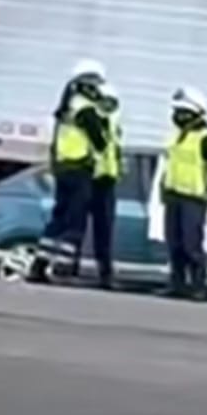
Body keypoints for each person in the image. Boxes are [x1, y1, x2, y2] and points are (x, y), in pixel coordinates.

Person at [38, 59, 109, 278]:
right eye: (95, 84)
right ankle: (64, 267)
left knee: (59, 218)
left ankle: (40, 264)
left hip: (63, 169)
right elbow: (99, 140)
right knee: (75, 221)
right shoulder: (85, 108)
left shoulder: (66, 106)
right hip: (80, 169)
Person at [161, 86, 207, 299]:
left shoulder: (206, 138)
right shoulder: (178, 135)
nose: (177, 116)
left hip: (194, 198)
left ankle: (198, 286)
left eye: (182, 111)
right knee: (174, 243)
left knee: (192, 245)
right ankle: (177, 284)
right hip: (174, 195)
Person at [88, 82, 122, 290]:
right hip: (89, 179)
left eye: (112, 103)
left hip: (107, 181)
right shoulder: (91, 120)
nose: (108, 106)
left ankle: (105, 274)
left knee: (105, 232)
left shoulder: (112, 123)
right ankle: (67, 268)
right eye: (104, 101)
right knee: (78, 227)